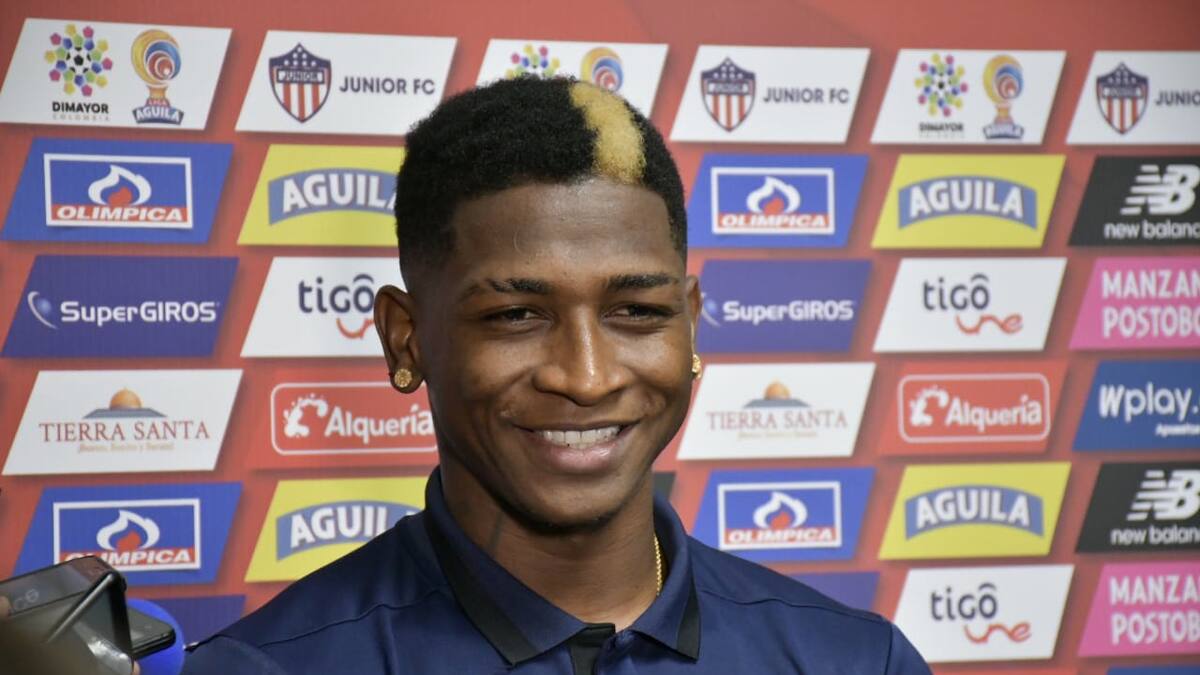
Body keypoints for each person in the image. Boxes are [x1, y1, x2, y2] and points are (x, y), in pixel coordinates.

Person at [183, 76, 931, 674]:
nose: (588, 376)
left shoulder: (856, 659)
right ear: (406, 340)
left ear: (691, 324)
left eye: (636, 311)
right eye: (516, 316)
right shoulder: (267, 667)